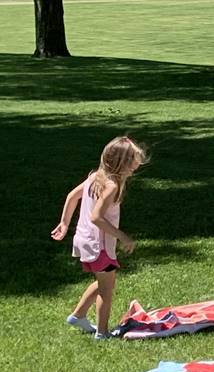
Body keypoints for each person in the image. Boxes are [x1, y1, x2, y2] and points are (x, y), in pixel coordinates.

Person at [51, 135, 148, 338]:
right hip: (98, 244)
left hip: (85, 240)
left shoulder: (95, 177)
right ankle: (102, 333)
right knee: (106, 289)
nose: (135, 168)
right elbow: (97, 217)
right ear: (119, 162)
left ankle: (78, 316)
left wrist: (64, 223)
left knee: (106, 281)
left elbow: (72, 196)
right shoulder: (111, 186)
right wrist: (123, 236)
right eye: (132, 164)